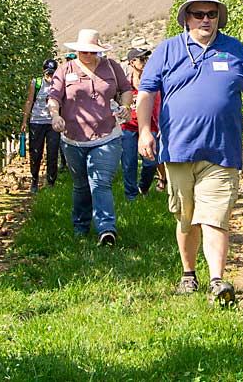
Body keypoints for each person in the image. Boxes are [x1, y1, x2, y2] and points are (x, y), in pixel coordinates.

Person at [138, 0, 243, 302]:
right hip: (177, 148)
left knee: (215, 216)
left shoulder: (235, 50)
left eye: (211, 14)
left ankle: (217, 280)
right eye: (198, 14)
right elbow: (146, 92)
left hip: (222, 149)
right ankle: (189, 274)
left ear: (219, 18)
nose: (205, 20)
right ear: (187, 17)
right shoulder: (168, 50)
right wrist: (145, 131)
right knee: (186, 217)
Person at [47, 29, 133, 246]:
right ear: (76, 50)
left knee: (100, 182)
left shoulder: (111, 68)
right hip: (73, 138)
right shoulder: (64, 70)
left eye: (91, 51)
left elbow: (126, 90)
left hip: (107, 135)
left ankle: (106, 229)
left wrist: (124, 106)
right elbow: (54, 97)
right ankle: (81, 226)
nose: (87, 54)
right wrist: (55, 115)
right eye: (83, 51)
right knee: (81, 185)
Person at [120, 47, 165, 201]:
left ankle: (143, 187)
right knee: (129, 162)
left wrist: (160, 124)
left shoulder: (153, 81)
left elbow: (160, 103)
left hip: (150, 125)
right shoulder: (124, 83)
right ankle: (130, 196)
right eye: (142, 59)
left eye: (147, 59)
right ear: (132, 62)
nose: (146, 62)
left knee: (151, 161)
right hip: (128, 126)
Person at [21, 59, 61, 193]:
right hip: (37, 122)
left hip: (52, 122)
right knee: (35, 152)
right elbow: (29, 101)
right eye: (48, 74)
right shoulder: (36, 83)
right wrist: (24, 120)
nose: (50, 77)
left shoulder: (59, 84)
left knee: (53, 152)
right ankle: (34, 180)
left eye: (52, 74)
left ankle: (51, 182)